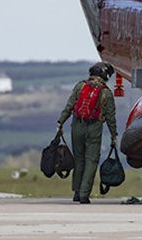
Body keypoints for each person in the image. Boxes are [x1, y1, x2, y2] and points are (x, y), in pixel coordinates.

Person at [57, 62, 117, 204]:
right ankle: (84, 194)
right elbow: (110, 118)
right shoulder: (106, 93)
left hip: (77, 126)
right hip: (94, 128)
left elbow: (69, 106)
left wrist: (60, 122)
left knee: (79, 159)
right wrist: (114, 136)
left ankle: (77, 192)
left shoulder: (80, 86)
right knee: (91, 161)